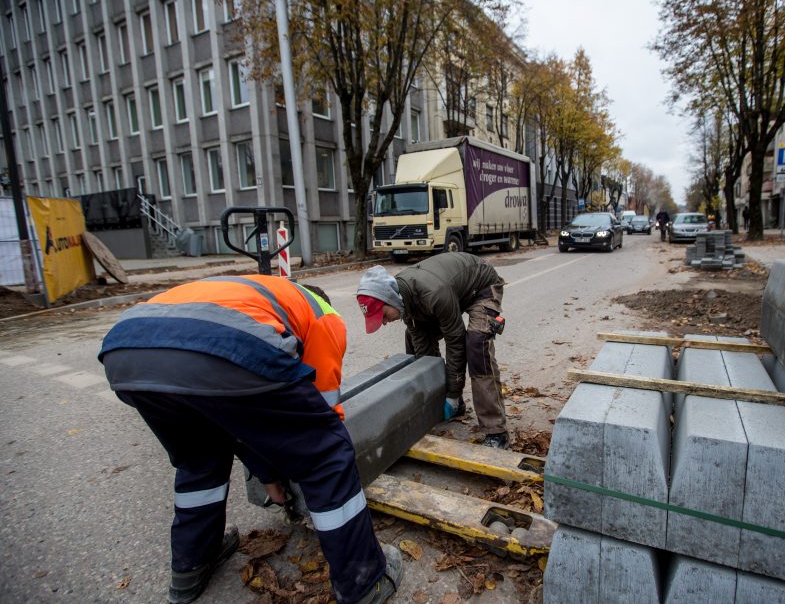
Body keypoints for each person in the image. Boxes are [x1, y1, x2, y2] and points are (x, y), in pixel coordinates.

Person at [98, 275, 401, 604]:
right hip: (219, 345)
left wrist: (267, 473)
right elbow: (323, 415)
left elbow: (237, 421)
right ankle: (364, 583)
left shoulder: (257, 296)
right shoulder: (324, 314)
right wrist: (304, 456)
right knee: (327, 456)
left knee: (201, 457)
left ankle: (190, 570)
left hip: (126, 350)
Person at [356, 252, 510, 449]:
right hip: (451, 294)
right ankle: (447, 405)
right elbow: (423, 350)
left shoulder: (433, 293)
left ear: (390, 300)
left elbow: (455, 340)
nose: (384, 323)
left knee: (476, 342)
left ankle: (496, 430)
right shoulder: (403, 298)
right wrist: (439, 392)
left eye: (384, 316)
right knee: (413, 339)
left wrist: (453, 392)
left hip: (481, 288)